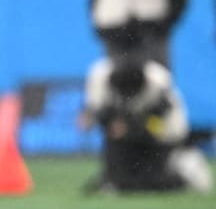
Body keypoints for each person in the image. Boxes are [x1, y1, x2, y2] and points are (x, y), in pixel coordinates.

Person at [80, 55, 211, 194]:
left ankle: (185, 171)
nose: (128, 99)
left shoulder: (159, 82)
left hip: (163, 134)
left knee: (152, 181)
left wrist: (131, 128)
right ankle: (113, 178)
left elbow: (158, 121)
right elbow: (99, 110)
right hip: (129, 131)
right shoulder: (100, 75)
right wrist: (93, 118)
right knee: (120, 170)